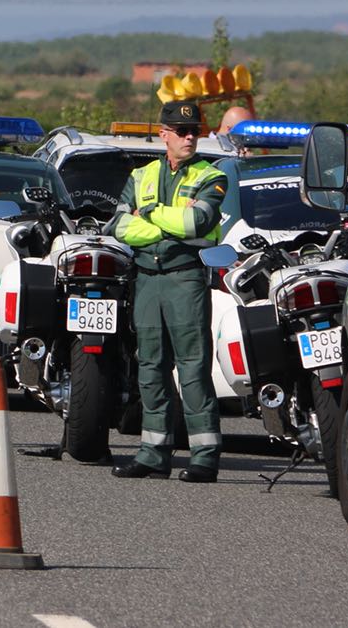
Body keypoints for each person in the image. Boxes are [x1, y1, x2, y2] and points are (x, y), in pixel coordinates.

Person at [109, 98, 229, 483]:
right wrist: (168, 221)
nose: (190, 137)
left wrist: (151, 215)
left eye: (194, 131)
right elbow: (119, 227)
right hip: (147, 279)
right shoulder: (140, 175)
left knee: (193, 368)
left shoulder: (212, 175)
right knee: (150, 368)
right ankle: (153, 453)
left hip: (185, 278)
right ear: (164, 135)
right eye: (181, 132)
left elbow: (199, 221)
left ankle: (205, 456)